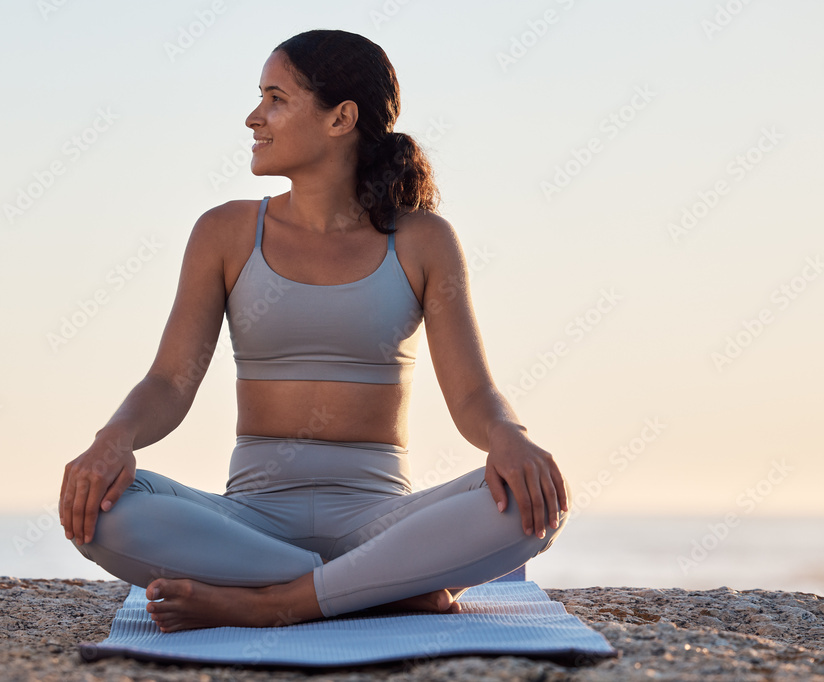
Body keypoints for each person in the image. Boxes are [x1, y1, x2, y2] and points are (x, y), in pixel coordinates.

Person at [59, 29, 569, 633]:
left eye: (276, 98)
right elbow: (170, 381)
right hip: (249, 521)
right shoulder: (224, 233)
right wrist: (112, 439)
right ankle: (375, 585)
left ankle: (272, 603)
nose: (254, 118)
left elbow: (472, 394)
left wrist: (510, 437)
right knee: (108, 511)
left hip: (382, 519)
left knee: (530, 507)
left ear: (340, 119)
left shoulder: (422, 240)